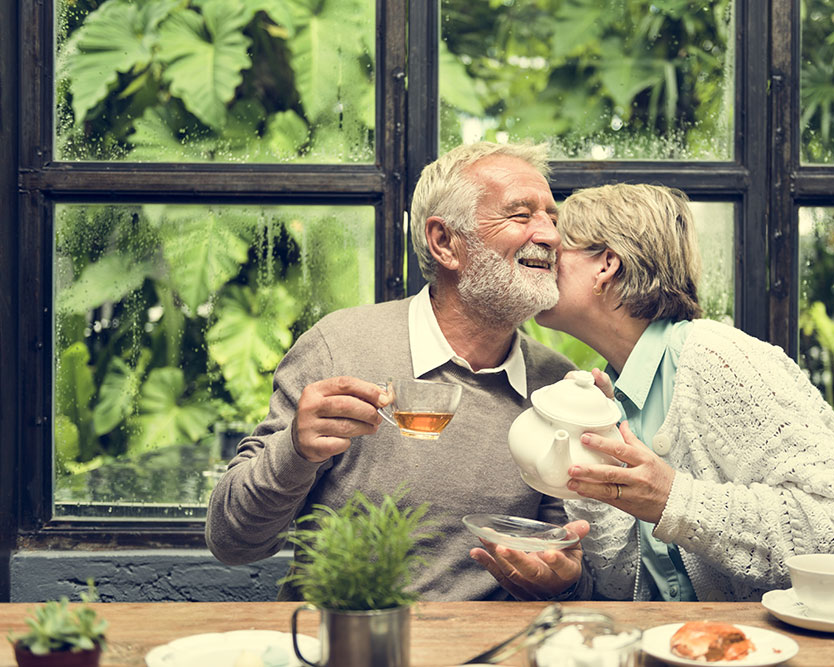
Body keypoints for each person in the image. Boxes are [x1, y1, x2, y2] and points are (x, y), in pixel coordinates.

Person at [205, 141, 589, 602]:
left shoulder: (558, 388)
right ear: (444, 241)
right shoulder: (339, 346)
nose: (550, 235)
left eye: (552, 216)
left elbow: (560, 559)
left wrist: (559, 580)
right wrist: (294, 451)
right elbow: (232, 541)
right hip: (349, 644)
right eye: (521, 215)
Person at [529, 183, 834, 602]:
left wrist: (672, 498)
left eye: (558, 249)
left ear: (606, 265)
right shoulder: (613, 395)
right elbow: (625, 589)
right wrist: (595, 473)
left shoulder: (720, 358)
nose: (543, 261)